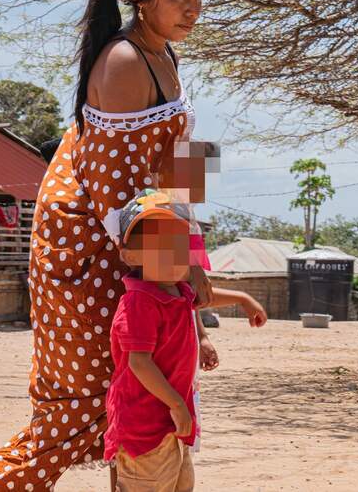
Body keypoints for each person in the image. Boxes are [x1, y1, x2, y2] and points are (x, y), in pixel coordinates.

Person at [0, 0, 255, 491]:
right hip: (92, 252)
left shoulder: (163, 55)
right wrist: (183, 261)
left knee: (140, 396)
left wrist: (194, 252)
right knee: (82, 406)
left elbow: (178, 164)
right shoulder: (125, 61)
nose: (193, 9)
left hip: (140, 243)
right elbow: (114, 192)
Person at [106, 189, 265, 491]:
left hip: (171, 423)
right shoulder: (139, 302)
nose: (172, 255)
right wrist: (178, 405)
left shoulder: (177, 290)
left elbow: (204, 297)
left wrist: (244, 299)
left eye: (179, 246)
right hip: (144, 426)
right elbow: (139, 362)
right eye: (159, 246)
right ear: (130, 255)